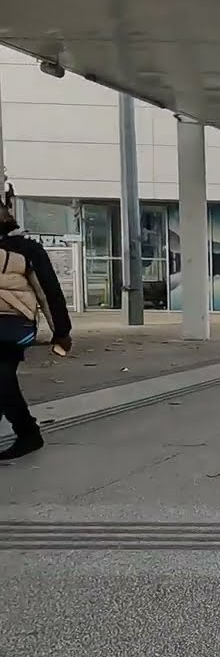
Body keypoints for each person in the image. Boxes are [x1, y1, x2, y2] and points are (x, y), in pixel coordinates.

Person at [0, 191, 72, 461]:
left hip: (11, 325)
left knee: (2, 379)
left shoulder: (26, 249)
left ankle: (28, 433)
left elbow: (48, 291)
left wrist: (61, 331)